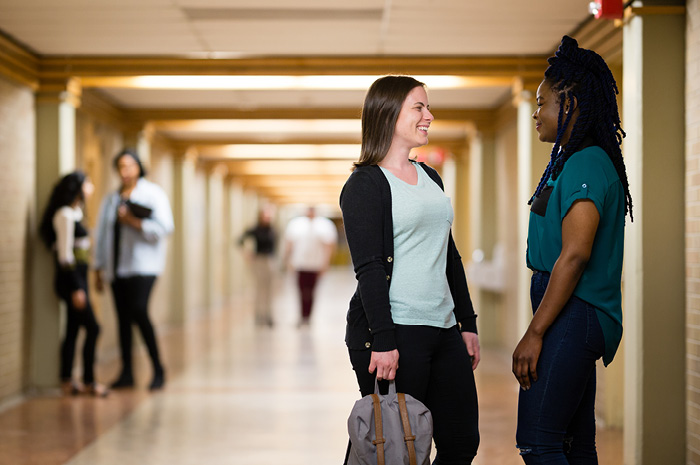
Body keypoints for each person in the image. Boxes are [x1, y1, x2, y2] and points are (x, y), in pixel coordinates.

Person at [340, 75, 480, 464]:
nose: (429, 116)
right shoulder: (365, 184)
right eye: (419, 107)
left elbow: (448, 255)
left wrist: (466, 323)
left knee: (461, 442)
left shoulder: (430, 177)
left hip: (444, 328)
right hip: (397, 332)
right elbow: (368, 269)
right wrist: (384, 341)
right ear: (388, 114)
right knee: (398, 446)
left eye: (427, 107)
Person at [512, 36, 633, 464]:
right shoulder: (572, 160)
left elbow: (575, 255)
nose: (535, 112)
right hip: (568, 308)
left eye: (543, 102)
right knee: (573, 443)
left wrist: (535, 332)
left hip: (575, 310)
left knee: (538, 440)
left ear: (572, 104)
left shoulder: (586, 162)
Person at [94, 149, 174, 391]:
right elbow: (101, 235)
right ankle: (126, 372)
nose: (125, 171)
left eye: (129, 166)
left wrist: (134, 222)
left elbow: (165, 228)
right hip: (117, 269)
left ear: (139, 167)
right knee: (123, 320)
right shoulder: (111, 199)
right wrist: (98, 268)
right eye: (120, 167)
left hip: (144, 266)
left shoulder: (153, 194)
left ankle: (158, 368)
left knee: (139, 310)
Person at [39, 171, 109, 397]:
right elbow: (65, 256)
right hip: (71, 280)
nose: (91, 187)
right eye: (88, 183)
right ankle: (89, 380)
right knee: (93, 328)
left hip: (80, 278)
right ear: (77, 187)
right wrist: (77, 287)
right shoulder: (65, 215)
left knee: (72, 329)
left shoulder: (77, 213)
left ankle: (67, 380)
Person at [283, 206, 337, 326]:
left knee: (311, 291)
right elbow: (289, 244)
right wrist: (288, 261)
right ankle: (302, 315)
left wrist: (325, 263)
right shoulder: (296, 225)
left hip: (315, 265)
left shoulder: (323, 226)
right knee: (301, 291)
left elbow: (329, 246)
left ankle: (308, 316)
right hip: (300, 264)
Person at [239, 207, 277, 326]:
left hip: (269, 260)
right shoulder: (255, 229)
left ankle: (268, 315)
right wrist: (246, 253)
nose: (267, 218)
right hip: (259, 261)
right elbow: (239, 241)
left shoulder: (272, 229)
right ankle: (259, 315)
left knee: (269, 289)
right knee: (259, 289)